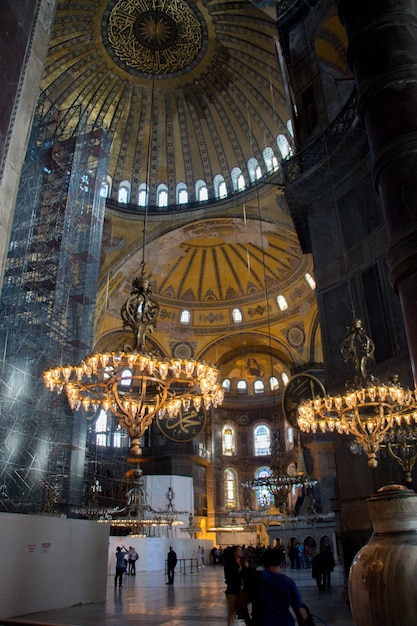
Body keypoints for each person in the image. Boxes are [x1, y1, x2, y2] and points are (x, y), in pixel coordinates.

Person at [250, 548, 308, 626]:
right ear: (280, 564)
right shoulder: (288, 582)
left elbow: (242, 605)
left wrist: (249, 622)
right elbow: (300, 613)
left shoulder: (255, 579)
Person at [224, 545, 243, 626]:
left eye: (241, 550)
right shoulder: (230, 563)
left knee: (241, 609)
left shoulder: (242, 562)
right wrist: (239, 570)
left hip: (241, 589)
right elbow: (229, 576)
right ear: (234, 552)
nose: (241, 551)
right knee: (232, 609)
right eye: (238, 550)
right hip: (232, 589)